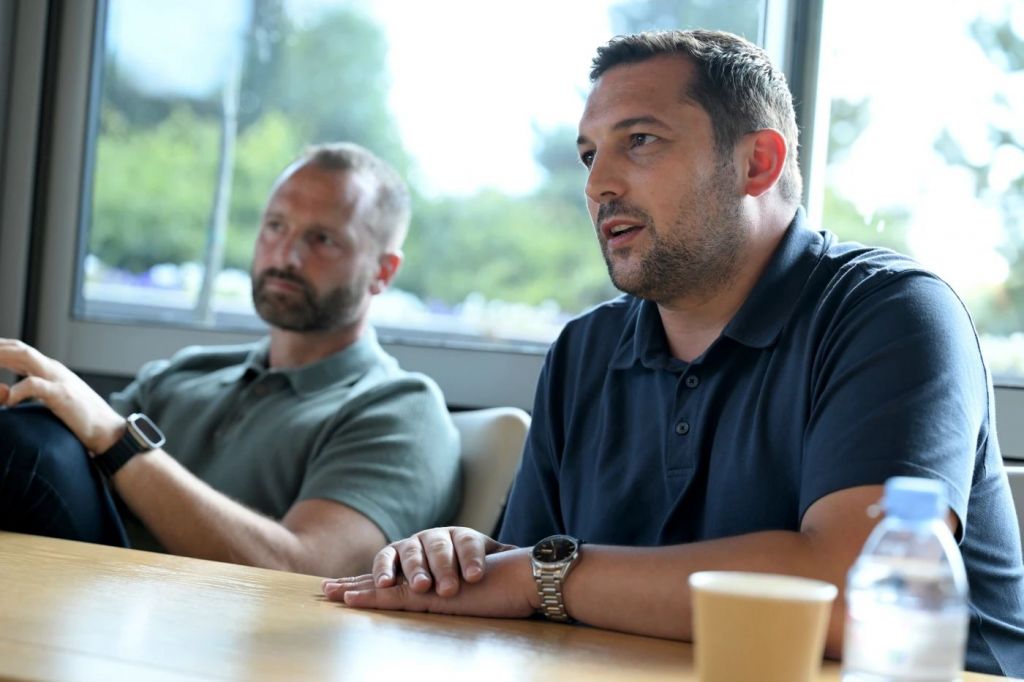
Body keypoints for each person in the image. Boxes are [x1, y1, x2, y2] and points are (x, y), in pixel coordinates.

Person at [321, 30, 1024, 676]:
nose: (598, 185)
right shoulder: (584, 351)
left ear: (757, 161)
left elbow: (853, 590)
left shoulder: (895, 314)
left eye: (641, 141)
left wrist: (539, 576)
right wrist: (458, 561)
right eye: (590, 154)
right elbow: (524, 583)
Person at [0, 142, 461, 578]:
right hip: (60, 614)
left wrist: (117, 439)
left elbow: (305, 575)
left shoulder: (401, 409)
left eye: (321, 239)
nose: (286, 256)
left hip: (204, 648)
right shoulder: (184, 375)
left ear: (382, 271)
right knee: (28, 429)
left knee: (27, 448)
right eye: (276, 226)